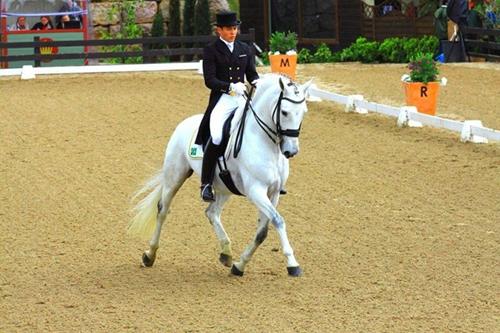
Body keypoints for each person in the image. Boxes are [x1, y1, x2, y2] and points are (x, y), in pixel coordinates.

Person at [195, 11, 259, 202]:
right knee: (216, 136)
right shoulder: (211, 50)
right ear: (219, 30)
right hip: (222, 99)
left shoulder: (244, 48)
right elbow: (210, 80)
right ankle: (206, 183)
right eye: (229, 29)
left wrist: (258, 83)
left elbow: (252, 74)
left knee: (259, 127)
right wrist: (230, 87)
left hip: (241, 98)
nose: (233, 32)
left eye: (235, 28)